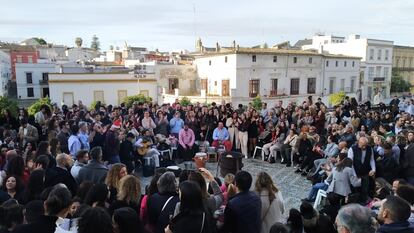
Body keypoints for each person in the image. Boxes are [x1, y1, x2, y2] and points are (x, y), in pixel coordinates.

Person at [348, 137, 376, 203]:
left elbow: (371, 160)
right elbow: (350, 163)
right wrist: (354, 175)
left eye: (365, 145)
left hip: (365, 172)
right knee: (355, 190)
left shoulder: (369, 148)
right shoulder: (352, 149)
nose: (364, 147)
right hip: (355, 172)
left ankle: (364, 203)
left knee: (365, 189)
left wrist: (373, 169)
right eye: (363, 145)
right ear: (359, 142)